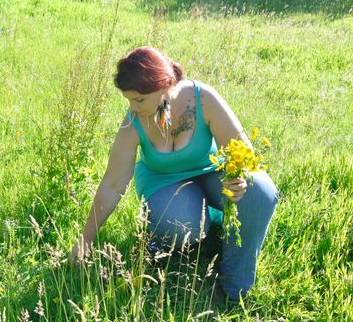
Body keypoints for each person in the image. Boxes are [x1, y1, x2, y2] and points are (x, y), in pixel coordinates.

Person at [70, 46, 278, 300]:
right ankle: (163, 240)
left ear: (165, 85)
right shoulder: (133, 123)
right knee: (180, 223)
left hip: (211, 170)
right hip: (163, 181)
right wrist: (86, 239)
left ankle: (235, 285)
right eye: (129, 100)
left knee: (260, 192)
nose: (133, 108)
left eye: (139, 100)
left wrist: (241, 178)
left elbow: (242, 149)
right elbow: (113, 185)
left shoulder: (202, 99)